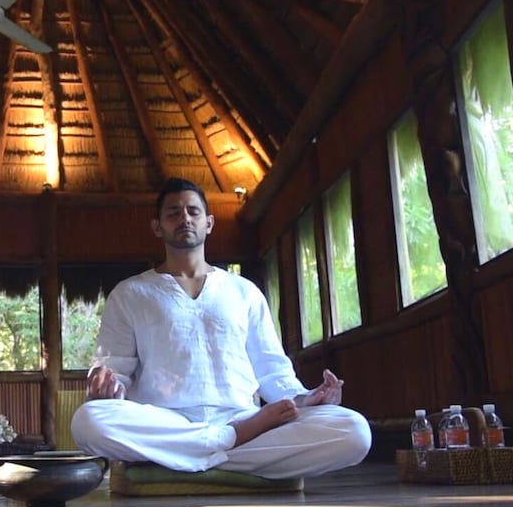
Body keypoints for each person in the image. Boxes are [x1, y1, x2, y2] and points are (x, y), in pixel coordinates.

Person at [71, 178, 371, 479]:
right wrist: (107, 389)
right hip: (166, 422)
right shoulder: (130, 293)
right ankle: (227, 443)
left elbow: (272, 372)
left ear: (209, 223)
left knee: (354, 431)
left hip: (243, 418)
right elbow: (114, 372)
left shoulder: (244, 291)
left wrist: (307, 398)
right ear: (157, 227)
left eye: (193, 211)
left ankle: (177, 457)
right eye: (173, 213)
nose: (185, 218)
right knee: (88, 421)